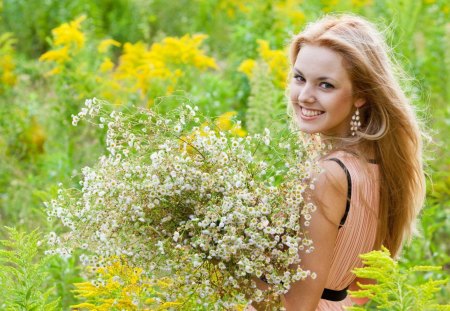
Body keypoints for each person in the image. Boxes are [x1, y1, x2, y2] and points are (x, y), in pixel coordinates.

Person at [247, 14, 426, 310]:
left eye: (325, 85)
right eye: (299, 78)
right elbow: (359, 289)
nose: (305, 96)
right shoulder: (374, 166)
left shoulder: (328, 176)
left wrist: (223, 257)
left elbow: (297, 306)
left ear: (361, 95)